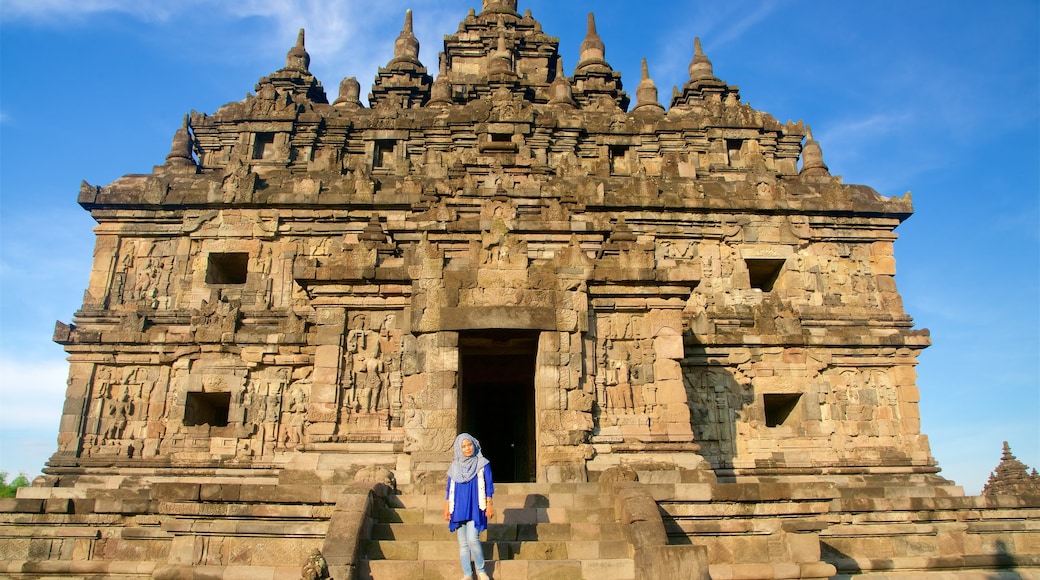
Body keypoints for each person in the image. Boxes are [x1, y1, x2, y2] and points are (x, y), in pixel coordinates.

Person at [443, 433, 495, 580]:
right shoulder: (455, 467)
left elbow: (489, 485)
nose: (467, 448)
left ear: (474, 444)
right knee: (463, 543)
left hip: (475, 506)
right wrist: (447, 508)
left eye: (469, 445)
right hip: (458, 507)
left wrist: (489, 504)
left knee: (473, 539)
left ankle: (481, 570)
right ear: (459, 449)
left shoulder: (482, 463)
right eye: (463, 446)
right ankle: (467, 573)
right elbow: (449, 489)